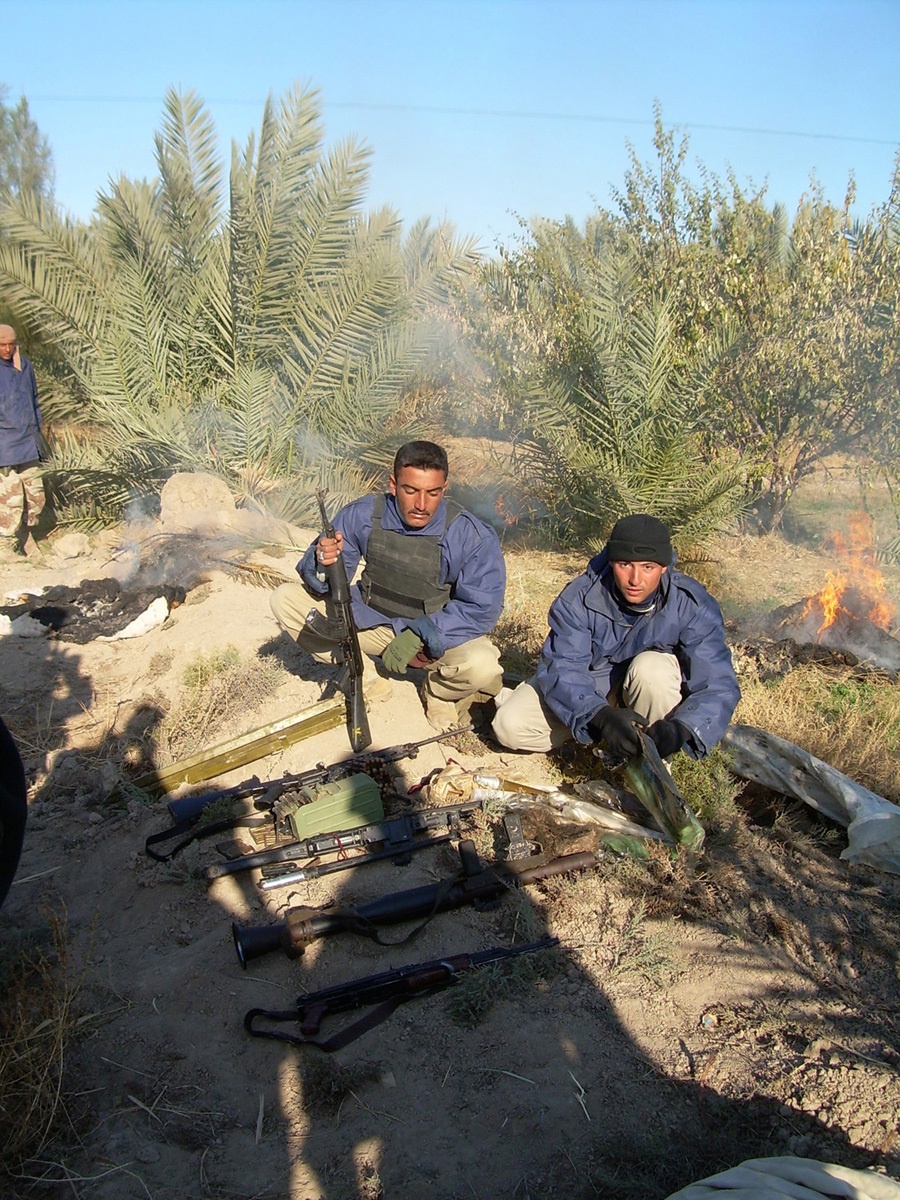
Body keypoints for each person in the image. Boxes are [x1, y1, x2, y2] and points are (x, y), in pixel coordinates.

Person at [271, 440, 506, 730]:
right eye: (411, 491)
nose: (421, 505)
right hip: (369, 623)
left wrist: (425, 634)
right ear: (394, 485)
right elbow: (330, 585)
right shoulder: (363, 514)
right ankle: (365, 674)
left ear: (444, 489)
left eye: (433, 493)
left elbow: (482, 609)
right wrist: (322, 561)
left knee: (483, 664)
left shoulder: (471, 535)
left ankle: (438, 693)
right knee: (285, 600)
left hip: (430, 643)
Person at [492, 513, 739, 760]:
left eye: (648, 567)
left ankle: (650, 758)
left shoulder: (691, 604)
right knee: (509, 726)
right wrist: (600, 715)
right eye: (625, 564)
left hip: (649, 690)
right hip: (591, 687)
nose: (635, 579)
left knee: (653, 672)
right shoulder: (579, 598)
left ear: (664, 567)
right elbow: (564, 667)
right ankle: (598, 735)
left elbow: (717, 683)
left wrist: (681, 728)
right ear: (611, 562)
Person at [0, 323, 45, 557]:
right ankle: (6, 546)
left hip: (28, 442)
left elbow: (34, 401)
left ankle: (27, 535)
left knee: (35, 493)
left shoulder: (24, 366)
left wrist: (38, 434)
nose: (7, 349)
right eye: (2, 345)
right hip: (4, 444)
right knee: (10, 498)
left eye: (10, 344)